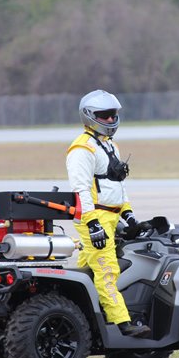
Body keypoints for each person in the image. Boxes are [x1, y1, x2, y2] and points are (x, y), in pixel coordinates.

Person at [66, 89, 151, 338]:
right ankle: (122, 323)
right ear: (90, 116)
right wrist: (93, 224)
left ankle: (80, 317)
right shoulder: (82, 149)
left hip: (112, 216)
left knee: (88, 270)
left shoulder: (109, 145)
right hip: (94, 217)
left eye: (114, 115)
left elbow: (117, 187)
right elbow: (81, 189)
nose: (112, 120)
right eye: (105, 116)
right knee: (107, 270)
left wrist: (130, 216)